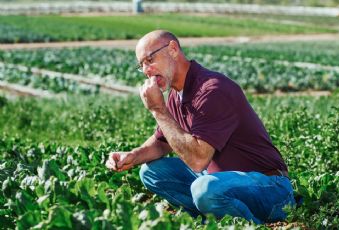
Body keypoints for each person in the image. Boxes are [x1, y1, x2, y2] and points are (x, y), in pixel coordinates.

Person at [105, 30, 295, 224]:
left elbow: (198, 161)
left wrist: (158, 110)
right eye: (141, 65)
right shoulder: (175, 94)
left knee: (204, 189)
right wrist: (132, 156)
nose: (146, 70)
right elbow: (162, 143)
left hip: (270, 188)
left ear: (172, 49)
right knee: (151, 172)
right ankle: (210, 220)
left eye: (150, 59)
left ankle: (246, 225)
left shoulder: (212, 89)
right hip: (220, 183)